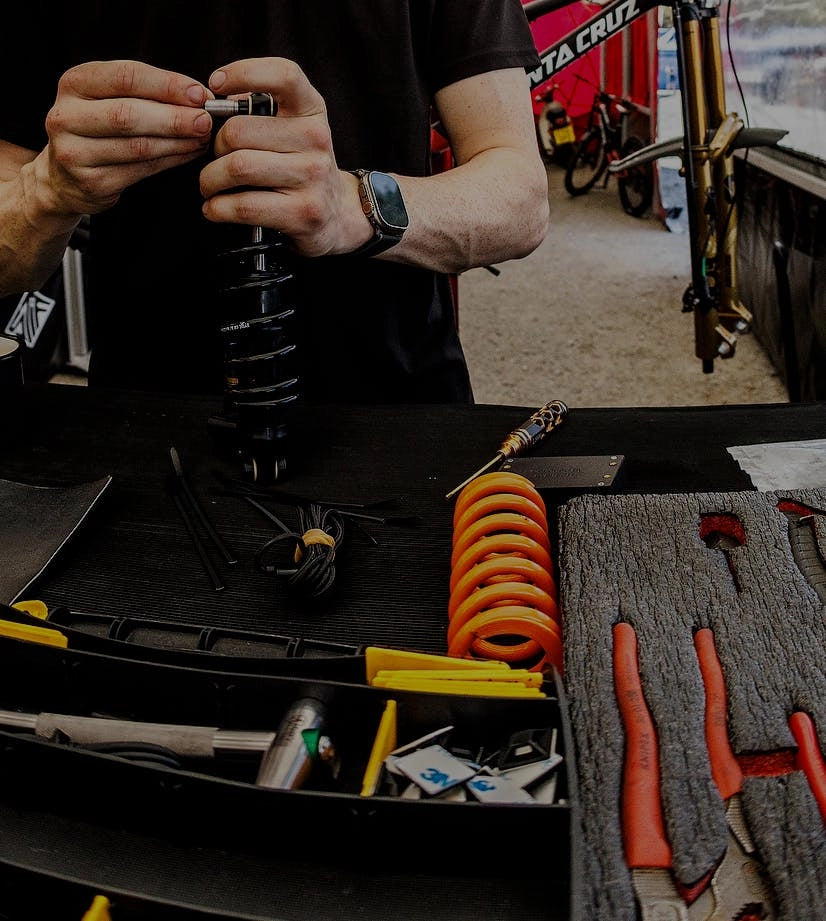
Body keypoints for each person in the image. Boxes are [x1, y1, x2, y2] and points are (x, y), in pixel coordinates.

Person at [0, 2, 549, 403]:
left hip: (397, 413)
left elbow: (519, 199)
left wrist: (349, 206)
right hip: (144, 424)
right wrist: (43, 193)